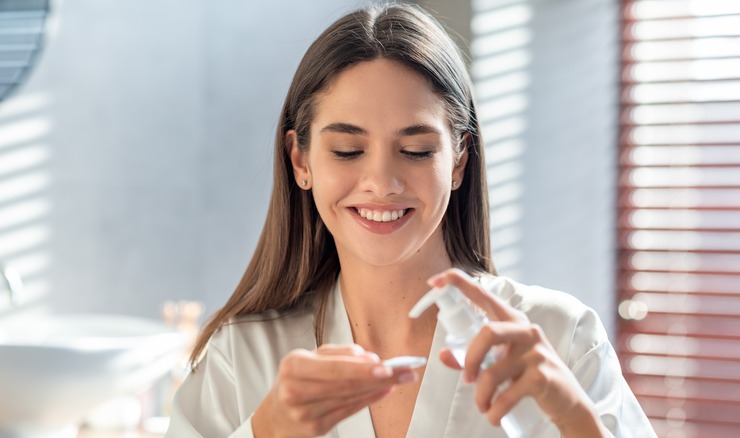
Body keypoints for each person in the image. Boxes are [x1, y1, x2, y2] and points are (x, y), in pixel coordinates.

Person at [166, 3, 655, 437]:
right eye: (348, 150)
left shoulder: (560, 338)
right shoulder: (242, 358)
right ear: (301, 161)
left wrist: (574, 418)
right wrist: (268, 432)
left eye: (416, 151)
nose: (382, 182)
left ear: (460, 160)